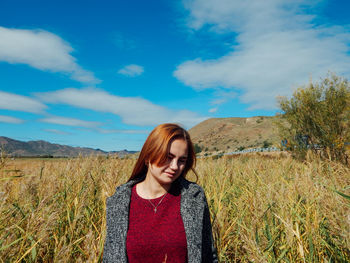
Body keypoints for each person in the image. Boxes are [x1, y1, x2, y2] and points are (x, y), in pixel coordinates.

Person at [103, 123, 218, 263]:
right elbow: (110, 257)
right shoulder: (118, 202)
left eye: (181, 160)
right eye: (168, 157)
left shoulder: (194, 197)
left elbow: (208, 254)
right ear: (149, 155)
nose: (175, 167)